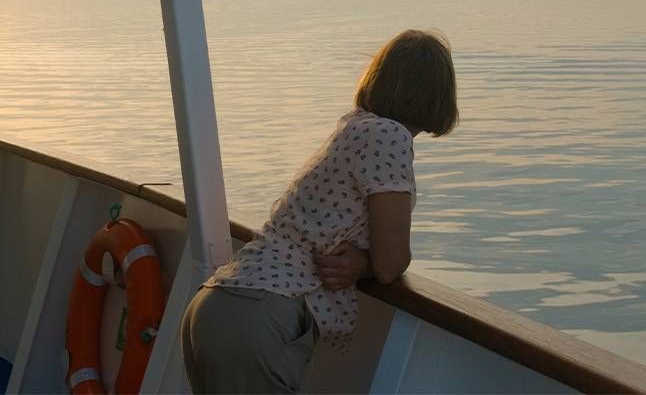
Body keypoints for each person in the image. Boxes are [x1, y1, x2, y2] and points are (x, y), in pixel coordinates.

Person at [180, 29, 458, 394]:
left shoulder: (355, 127)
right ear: (438, 94)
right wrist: (366, 263)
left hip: (221, 305)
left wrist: (361, 261)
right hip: (258, 320)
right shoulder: (390, 137)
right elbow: (391, 264)